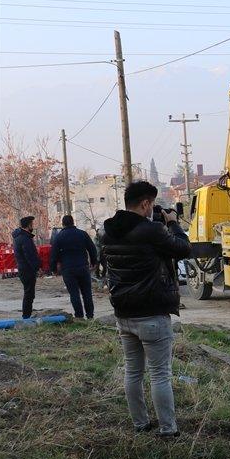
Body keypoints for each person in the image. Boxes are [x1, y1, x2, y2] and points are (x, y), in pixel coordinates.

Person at [102, 181, 191, 438]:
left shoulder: (107, 232)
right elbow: (183, 249)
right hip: (152, 313)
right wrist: (172, 223)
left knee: (133, 372)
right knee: (160, 374)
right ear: (145, 204)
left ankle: (140, 424)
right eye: (151, 204)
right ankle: (167, 429)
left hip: (124, 314)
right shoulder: (151, 231)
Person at [49, 214, 99, 320]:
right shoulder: (82, 234)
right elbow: (92, 248)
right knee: (87, 293)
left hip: (68, 269)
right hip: (83, 267)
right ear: (73, 222)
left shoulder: (59, 237)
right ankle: (90, 316)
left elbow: (53, 255)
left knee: (74, 293)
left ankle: (79, 316)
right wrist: (94, 262)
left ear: (63, 224)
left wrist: (53, 269)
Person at [11, 215, 40, 319]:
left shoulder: (20, 237)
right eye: (32, 224)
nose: (33, 226)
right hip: (27, 270)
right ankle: (26, 317)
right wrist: (37, 267)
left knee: (29, 293)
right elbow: (30, 255)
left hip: (24, 269)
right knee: (29, 294)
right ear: (28, 225)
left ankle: (27, 315)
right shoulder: (24, 238)